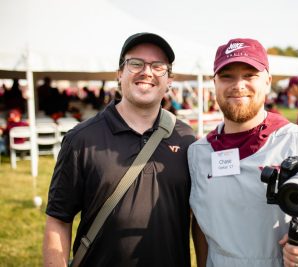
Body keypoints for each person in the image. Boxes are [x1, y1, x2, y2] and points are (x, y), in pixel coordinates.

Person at [189, 37, 298, 267]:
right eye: (227, 76)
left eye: (249, 75)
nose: (238, 85)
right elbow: (201, 223)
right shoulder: (197, 154)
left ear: (268, 82)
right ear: (213, 83)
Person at [43, 32, 196, 267]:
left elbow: (199, 220)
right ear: (119, 74)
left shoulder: (187, 139)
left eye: (158, 66)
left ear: (169, 79)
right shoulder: (81, 139)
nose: (147, 72)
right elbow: (58, 221)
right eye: (135, 63)